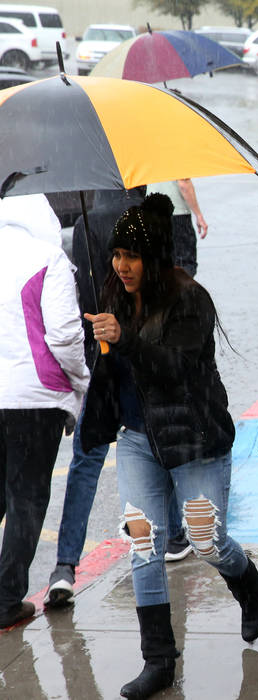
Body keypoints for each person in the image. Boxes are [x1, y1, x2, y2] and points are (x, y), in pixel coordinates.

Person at [78, 194, 258, 699]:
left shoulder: (189, 298)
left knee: (206, 541)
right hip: (139, 440)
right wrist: (100, 349)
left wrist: (126, 340)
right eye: (116, 255)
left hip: (194, 438)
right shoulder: (113, 294)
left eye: (131, 256)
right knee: (144, 543)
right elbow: (115, 376)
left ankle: (248, 582)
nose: (122, 266)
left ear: (155, 255)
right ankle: (158, 660)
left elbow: (177, 369)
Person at [46, 188, 147, 607]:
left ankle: (65, 566)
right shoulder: (148, 221)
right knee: (157, 445)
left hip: (101, 358)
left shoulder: (88, 222)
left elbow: (83, 299)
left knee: (86, 458)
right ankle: (174, 536)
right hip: (142, 359)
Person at [0, 194, 89, 629]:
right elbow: (66, 337)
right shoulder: (48, 257)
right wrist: (82, 384)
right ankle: (5, 600)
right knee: (27, 498)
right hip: (35, 399)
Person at [147, 180, 207, 278]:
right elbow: (184, 184)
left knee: (158, 262)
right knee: (183, 263)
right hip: (176, 213)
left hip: (151, 212)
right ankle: (179, 292)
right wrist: (198, 215)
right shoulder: (177, 163)